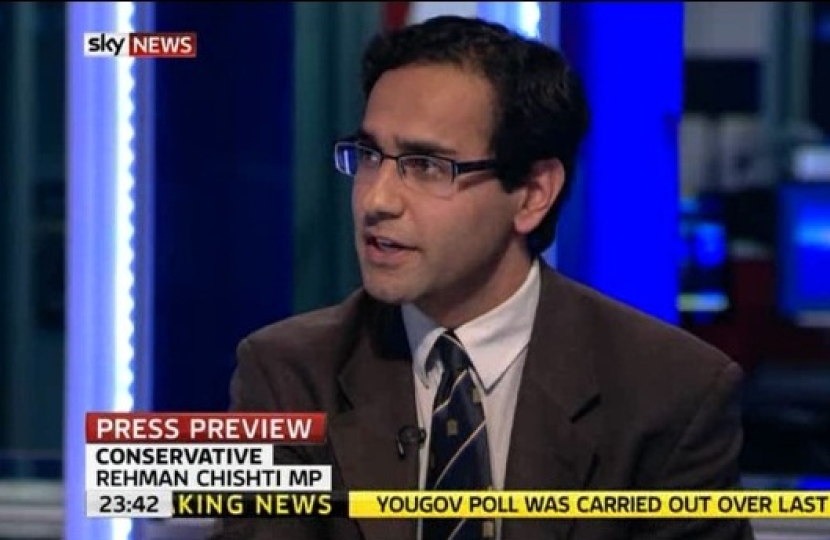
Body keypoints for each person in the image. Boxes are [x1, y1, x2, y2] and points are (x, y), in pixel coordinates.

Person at [212, 15, 753, 540]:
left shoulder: (669, 392)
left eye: (426, 165)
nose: (376, 199)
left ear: (533, 194)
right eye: (370, 156)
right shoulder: (289, 375)